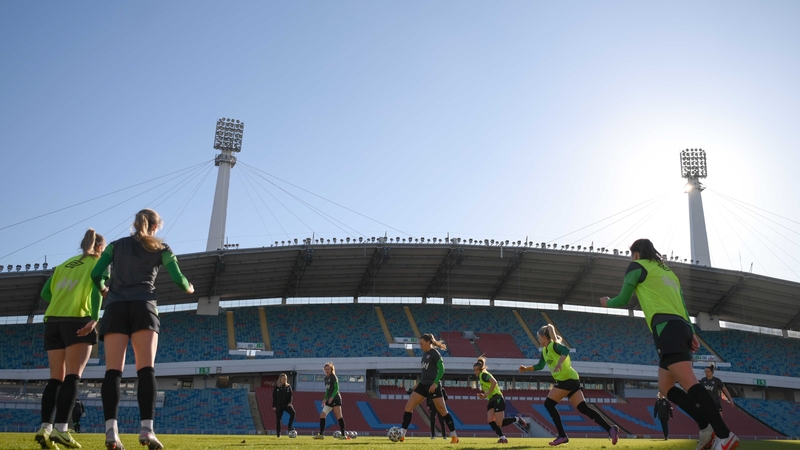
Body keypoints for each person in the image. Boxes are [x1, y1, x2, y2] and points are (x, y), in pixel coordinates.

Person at [601, 238, 738, 450]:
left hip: (666, 328)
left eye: (631, 254)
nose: (631, 257)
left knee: (689, 382)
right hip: (681, 326)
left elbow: (623, 298)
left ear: (636, 253)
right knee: (665, 387)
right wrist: (692, 332)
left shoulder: (636, 266)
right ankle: (705, 428)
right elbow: (682, 304)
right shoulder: (668, 272)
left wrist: (606, 302)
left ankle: (724, 434)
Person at [91, 209, 193, 450]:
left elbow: (96, 274)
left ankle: (111, 432)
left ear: (135, 224)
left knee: (112, 372)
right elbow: (179, 279)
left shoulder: (115, 246)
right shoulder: (162, 248)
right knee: (146, 370)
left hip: (115, 308)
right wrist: (189, 288)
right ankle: (147, 429)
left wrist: (104, 288)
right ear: (156, 227)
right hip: (144, 307)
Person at [35, 229, 108, 450]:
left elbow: (45, 294)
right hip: (77, 320)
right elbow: (97, 290)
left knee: (55, 378)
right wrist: (95, 318)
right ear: (100, 248)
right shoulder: (98, 262)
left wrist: (63, 299)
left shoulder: (64, 264)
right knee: (73, 376)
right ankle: (62, 430)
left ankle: (45, 428)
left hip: (53, 321)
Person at [519, 324, 619, 447]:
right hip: (571, 380)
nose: (538, 340)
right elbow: (540, 365)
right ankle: (610, 429)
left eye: (539, 337)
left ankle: (562, 436)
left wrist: (559, 363)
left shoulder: (554, 345)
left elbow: (566, 351)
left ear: (545, 337)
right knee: (583, 408)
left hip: (567, 380)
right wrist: (526, 369)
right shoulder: (545, 351)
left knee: (549, 404)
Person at [397, 333, 459, 444]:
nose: (420, 346)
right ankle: (402, 433)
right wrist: (419, 382)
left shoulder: (435, 353)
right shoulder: (424, 355)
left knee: (443, 411)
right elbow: (426, 372)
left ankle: (454, 435)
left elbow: (442, 369)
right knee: (409, 406)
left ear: (428, 342)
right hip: (422, 385)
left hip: (433, 387)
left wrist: (435, 383)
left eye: (421, 343)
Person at [473, 356, 530, 444]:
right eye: (474, 370)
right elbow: (489, 389)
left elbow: (494, 382)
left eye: (477, 370)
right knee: (490, 420)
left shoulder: (483, 374)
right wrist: (484, 395)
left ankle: (517, 419)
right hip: (491, 399)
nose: (475, 372)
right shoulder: (481, 376)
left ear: (481, 369)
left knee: (499, 423)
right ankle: (502, 438)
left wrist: (486, 394)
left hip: (497, 398)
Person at [313, 362, 349, 440]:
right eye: (325, 369)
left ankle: (343, 435)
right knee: (322, 415)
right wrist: (324, 399)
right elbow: (327, 390)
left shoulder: (333, 377)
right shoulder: (326, 378)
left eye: (328, 369)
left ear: (331, 369)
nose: (327, 370)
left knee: (339, 416)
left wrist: (332, 397)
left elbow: (336, 388)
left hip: (335, 399)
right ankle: (321, 434)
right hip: (329, 400)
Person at [272, 373, 296, 438]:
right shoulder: (277, 387)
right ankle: (278, 434)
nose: (284, 380)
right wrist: (274, 406)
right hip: (278, 405)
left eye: (285, 378)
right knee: (278, 419)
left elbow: (291, 396)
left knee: (293, 413)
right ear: (280, 379)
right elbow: (274, 397)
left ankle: (289, 426)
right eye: (283, 378)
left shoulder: (288, 387)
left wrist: (290, 402)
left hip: (286, 404)